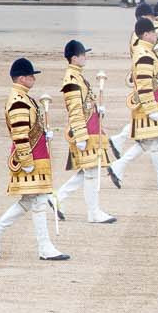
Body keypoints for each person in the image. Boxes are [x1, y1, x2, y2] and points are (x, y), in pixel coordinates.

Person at [0, 58, 66, 261]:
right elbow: (20, 134)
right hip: (30, 158)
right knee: (39, 202)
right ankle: (44, 247)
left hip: (36, 156)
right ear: (21, 78)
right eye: (30, 76)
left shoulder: (24, 97)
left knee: (30, 201)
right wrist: (26, 161)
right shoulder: (18, 100)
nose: (33, 79)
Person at [111, 19, 158, 191]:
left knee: (150, 143)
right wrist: (151, 110)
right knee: (154, 143)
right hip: (150, 105)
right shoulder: (144, 53)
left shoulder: (147, 51)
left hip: (154, 103)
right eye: (152, 33)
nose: (155, 36)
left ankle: (119, 167)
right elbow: (144, 84)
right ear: (146, 34)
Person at [52, 40, 118, 223]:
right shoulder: (72, 79)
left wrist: (97, 109)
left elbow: (84, 104)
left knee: (88, 171)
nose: (85, 57)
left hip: (90, 126)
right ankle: (93, 212)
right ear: (74, 58)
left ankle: (58, 197)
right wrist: (80, 135)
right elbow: (74, 109)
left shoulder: (77, 76)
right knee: (91, 172)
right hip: (85, 131)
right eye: (83, 55)